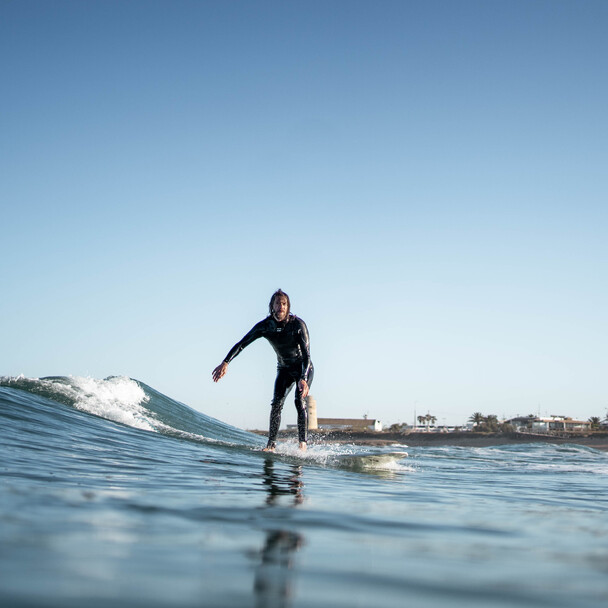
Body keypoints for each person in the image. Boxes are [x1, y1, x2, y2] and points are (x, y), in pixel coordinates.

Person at [212, 289, 313, 452]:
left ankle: (303, 445)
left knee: (298, 400)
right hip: (284, 369)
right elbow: (242, 343)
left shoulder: (297, 325)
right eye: (278, 303)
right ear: (272, 306)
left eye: (284, 304)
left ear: (288, 307)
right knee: (276, 404)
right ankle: (271, 445)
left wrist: (303, 377)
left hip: (302, 367)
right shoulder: (266, 326)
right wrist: (226, 362)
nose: (281, 306)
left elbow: (307, 355)